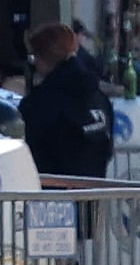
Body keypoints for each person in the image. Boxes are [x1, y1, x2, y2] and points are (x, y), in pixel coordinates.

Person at [16, 20, 117, 180]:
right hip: (93, 191)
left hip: (52, 192)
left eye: (34, 57)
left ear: (43, 58)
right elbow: (107, 147)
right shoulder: (97, 96)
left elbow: (29, 148)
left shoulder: (41, 101)